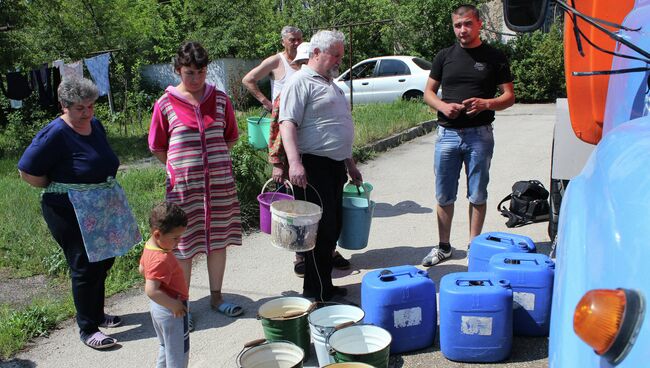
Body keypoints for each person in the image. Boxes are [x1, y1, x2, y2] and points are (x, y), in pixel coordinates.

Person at [17, 77, 126, 349]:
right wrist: (60, 187)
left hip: (100, 205)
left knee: (104, 258)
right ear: (63, 106)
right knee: (84, 263)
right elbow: (26, 170)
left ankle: (97, 312)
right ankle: (88, 328)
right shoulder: (54, 133)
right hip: (67, 207)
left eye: (90, 106)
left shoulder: (96, 126)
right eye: (80, 108)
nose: (87, 113)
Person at [148, 41, 243, 328]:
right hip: (184, 190)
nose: (196, 78)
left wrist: (214, 164)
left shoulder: (221, 99)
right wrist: (178, 170)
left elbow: (230, 137)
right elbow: (157, 146)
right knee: (183, 246)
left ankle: (216, 297)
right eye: (189, 72)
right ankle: (183, 306)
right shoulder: (164, 104)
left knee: (217, 242)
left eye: (201, 71)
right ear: (177, 70)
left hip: (219, 186)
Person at [421, 4, 515, 267]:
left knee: (477, 194)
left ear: (479, 24)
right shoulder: (444, 56)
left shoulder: (494, 56)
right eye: (457, 25)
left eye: (467, 24)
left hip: (479, 135)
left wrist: (486, 104)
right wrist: (442, 106)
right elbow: (428, 92)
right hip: (448, 135)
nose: (462, 30)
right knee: (444, 194)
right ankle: (443, 247)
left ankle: (475, 246)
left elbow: (509, 96)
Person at [279, 30, 363, 301]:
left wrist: (350, 164)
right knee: (317, 231)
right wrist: (294, 163)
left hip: (335, 166)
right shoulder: (299, 82)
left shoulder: (330, 83)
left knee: (332, 228)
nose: (339, 60)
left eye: (340, 54)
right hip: (312, 167)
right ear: (316, 53)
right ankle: (314, 293)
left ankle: (325, 285)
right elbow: (287, 124)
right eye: (335, 55)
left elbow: (337, 127)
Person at [139, 202, 190, 368]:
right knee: (178, 354)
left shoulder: (150, 245)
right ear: (157, 234)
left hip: (157, 308)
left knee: (165, 346)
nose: (179, 241)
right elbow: (151, 290)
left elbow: (142, 269)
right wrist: (174, 304)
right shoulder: (161, 258)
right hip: (171, 310)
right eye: (175, 238)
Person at [242, 25, 303, 112]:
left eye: (299, 39)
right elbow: (247, 80)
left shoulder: (308, 60)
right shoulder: (275, 61)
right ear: (283, 42)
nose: (297, 43)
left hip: (306, 118)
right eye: (292, 40)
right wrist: (267, 103)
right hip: (283, 119)